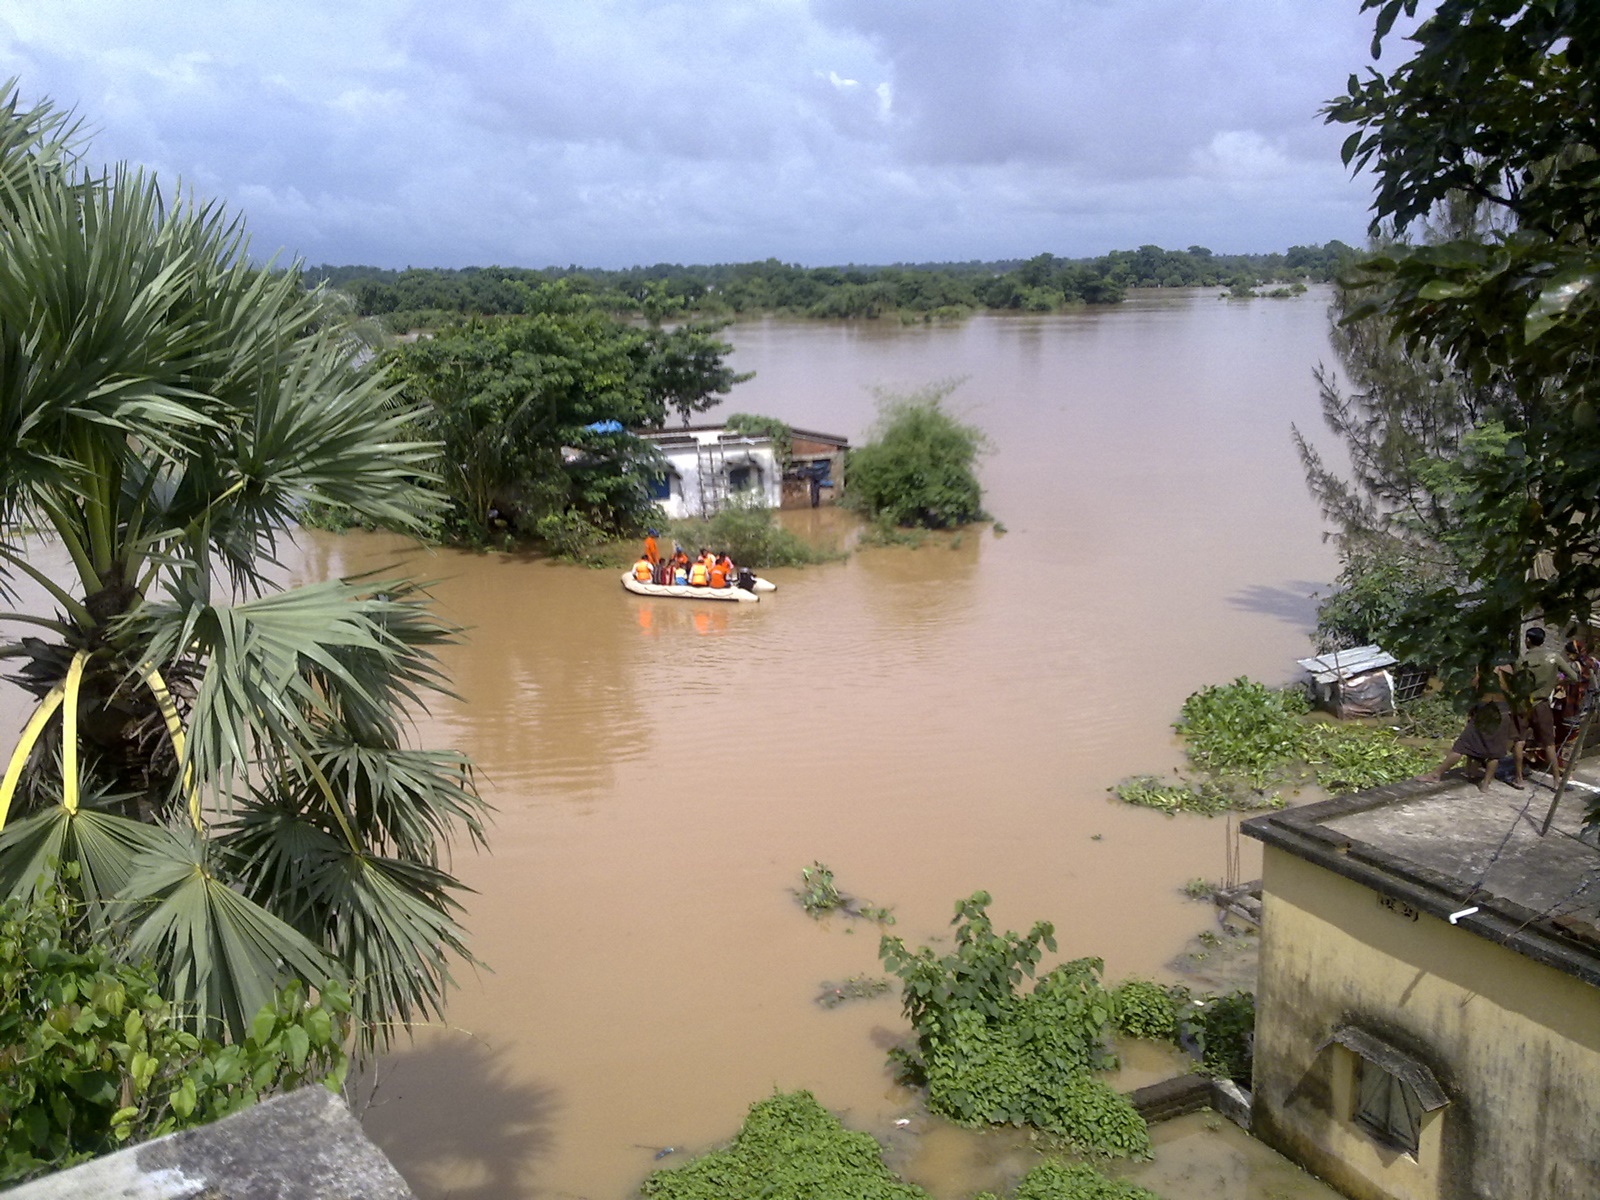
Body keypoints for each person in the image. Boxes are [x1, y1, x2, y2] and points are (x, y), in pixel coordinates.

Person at [1519, 626, 1583, 774]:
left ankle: (1519, 776)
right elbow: (1574, 677)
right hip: (1543, 704)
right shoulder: (1554, 657)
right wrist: (1555, 682)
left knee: (1519, 740)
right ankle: (1555, 779)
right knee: (1549, 743)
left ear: (1528, 640)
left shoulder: (1524, 659)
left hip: (1525, 703)